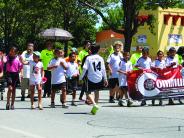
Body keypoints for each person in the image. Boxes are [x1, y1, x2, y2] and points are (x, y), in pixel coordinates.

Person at [81, 44, 108, 115]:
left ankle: (94, 104)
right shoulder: (101, 58)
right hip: (99, 77)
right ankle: (95, 106)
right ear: (98, 50)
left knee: (88, 92)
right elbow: (103, 69)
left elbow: (84, 68)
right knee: (97, 91)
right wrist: (105, 79)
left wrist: (81, 77)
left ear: (90, 50)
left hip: (91, 77)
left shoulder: (88, 58)